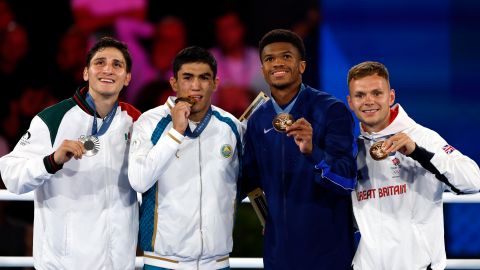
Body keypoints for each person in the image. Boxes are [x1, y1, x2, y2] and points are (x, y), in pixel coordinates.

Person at [0, 37, 140, 269]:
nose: (108, 69)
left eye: (117, 64)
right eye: (100, 62)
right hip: (63, 263)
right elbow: (11, 176)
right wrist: (51, 161)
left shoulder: (137, 121)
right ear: (86, 73)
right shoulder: (53, 119)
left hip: (118, 263)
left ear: (127, 78)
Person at [240, 29, 357, 270]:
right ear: (262, 69)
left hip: (329, 254)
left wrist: (313, 151)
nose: (278, 63)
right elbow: (250, 180)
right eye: (270, 59)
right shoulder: (257, 119)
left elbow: (347, 179)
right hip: (278, 254)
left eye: (286, 56)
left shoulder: (331, 110)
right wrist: (268, 220)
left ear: (302, 66)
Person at [346, 61, 480, 270]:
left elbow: (473, 180)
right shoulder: (352, 150)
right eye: (360, 95)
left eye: (376, 93)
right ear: (350, 102)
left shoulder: (421, 137)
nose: (368, 101)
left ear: (390, 97)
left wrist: (418, 152)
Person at [128, 46, 243, 270]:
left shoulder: (231, 126)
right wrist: (176, 132)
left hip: (217, 263)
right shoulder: (149, 122)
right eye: (188, 78)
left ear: (215, 83)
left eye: (204, 78)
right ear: (174, 83)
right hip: (164, 262)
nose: (196, 86)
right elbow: (139, 180)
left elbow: (243, 183)